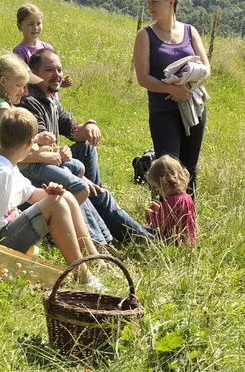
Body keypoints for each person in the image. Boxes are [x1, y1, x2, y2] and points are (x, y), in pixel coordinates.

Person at [0, 108, 104, 291]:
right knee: (57, 203)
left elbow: (30, 194)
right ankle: (83, 275)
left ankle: (92, 258)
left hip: (4, 231)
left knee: (64, 196)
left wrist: (51, 193)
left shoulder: (7, 165)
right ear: (30, 144)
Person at [0, 56, 112, 244]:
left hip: (10, 180)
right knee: (72, 187)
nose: (25, 92)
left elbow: (19, 151)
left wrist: (47, 151)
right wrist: (45, 156)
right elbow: (4, 153)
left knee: (80, 177)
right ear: (4, 82)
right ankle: (90, 241)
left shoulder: (9, 105)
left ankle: (103, 240)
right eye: (20, 85)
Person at [18, 48, 154, 242]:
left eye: (59, 69)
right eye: (49, 70)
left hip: (54, 163)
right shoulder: (31, 102)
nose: (57, 75)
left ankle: (101, 205)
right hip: (40, 172)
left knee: (86, 148)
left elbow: (73, 130)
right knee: (100, 195)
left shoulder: (50, 100)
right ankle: (143, 239)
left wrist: (90, 124)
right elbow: (41, 148)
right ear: (34, 73)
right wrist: (77, 173)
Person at [132, 0, 210, 199]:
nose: (150, 7)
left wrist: (188, 85)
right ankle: (165, 222)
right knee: (168, 170)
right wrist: (170, 89)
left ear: (171, 2)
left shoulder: (190, 31)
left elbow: (206, 68)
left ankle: (187, 221)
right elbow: (143, 78)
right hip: (163, 111)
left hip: (193, 108)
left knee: (190, 168)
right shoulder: (145, 36)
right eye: (148, 3)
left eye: (155, 2)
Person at [13, 3, 72, 101]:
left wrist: (60, 82)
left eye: (38, 23)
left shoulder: (47, 47)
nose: (35, 27)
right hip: (33, 98)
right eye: (30, 24)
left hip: (51, 97)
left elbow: (52, 72)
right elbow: (24, 77)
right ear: (20, 26)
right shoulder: (20, 51)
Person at [145, 155, 197, 246]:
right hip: (187, 241)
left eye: (157, 187)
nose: (158, 191)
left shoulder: (170, 202)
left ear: (164, 183)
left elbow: (161, 225)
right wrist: (159, 210)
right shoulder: (187, 198)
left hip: (172, 243)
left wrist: (150, 215)